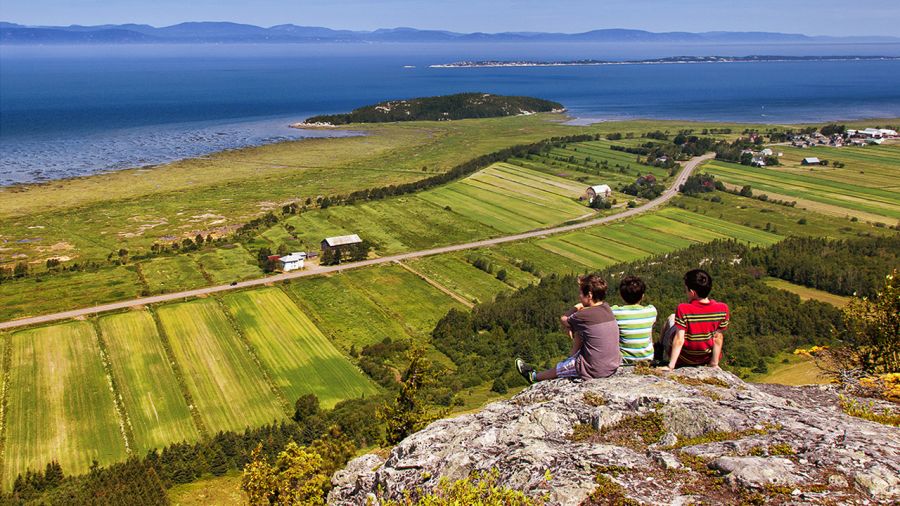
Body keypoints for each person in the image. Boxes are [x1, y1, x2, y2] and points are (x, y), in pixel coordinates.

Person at [516, 274, 621, 383]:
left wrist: (576, 307)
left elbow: (564, 319)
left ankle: (533, 377)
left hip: (595, 369)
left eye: (580, 293)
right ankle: (571, 356)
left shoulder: (583, 314)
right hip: (612, 364)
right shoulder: (607, 308)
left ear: (589, 295)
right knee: (581, 331)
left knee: (563, 367)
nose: (579, 296)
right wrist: (572, 326)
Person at [658, 269, 729, 370]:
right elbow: (718, 338)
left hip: (683, 358)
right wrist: (714, 363)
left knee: (671, 318)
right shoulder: (723, 309)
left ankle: (658, 351)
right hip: (704, 358)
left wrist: (671, 366)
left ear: (692, 292)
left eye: (686, 289)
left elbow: (679, 339)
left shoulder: (683, 308)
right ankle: (712, 362)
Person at [610, 275, 657, 364]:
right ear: (642, 296)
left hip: (624, 360)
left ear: (621, 295)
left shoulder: (615, 312)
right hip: (647, 358)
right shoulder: (651, 311)